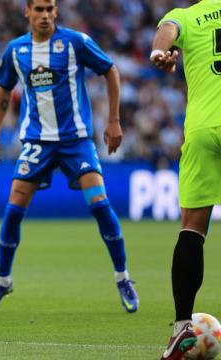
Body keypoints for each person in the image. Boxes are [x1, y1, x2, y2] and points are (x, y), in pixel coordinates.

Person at [0, 0, 139, 313]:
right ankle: (3, 281)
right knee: (13, 211)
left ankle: (123, 278)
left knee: (100, 205)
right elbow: (2, 92)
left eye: (50, 8)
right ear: (27, 12)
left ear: (56, 11)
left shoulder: (75, 42)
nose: (45, 15)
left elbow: (111, 71)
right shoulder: (16, 50)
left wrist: (114, 120)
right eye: (39, 9)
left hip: (75, 141)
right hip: (37, 142)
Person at [151, 1, 221, 359]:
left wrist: (159, 52)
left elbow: (167, 32)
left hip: (203, 128)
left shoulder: (188, 15)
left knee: (192, 229)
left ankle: (181, 328)